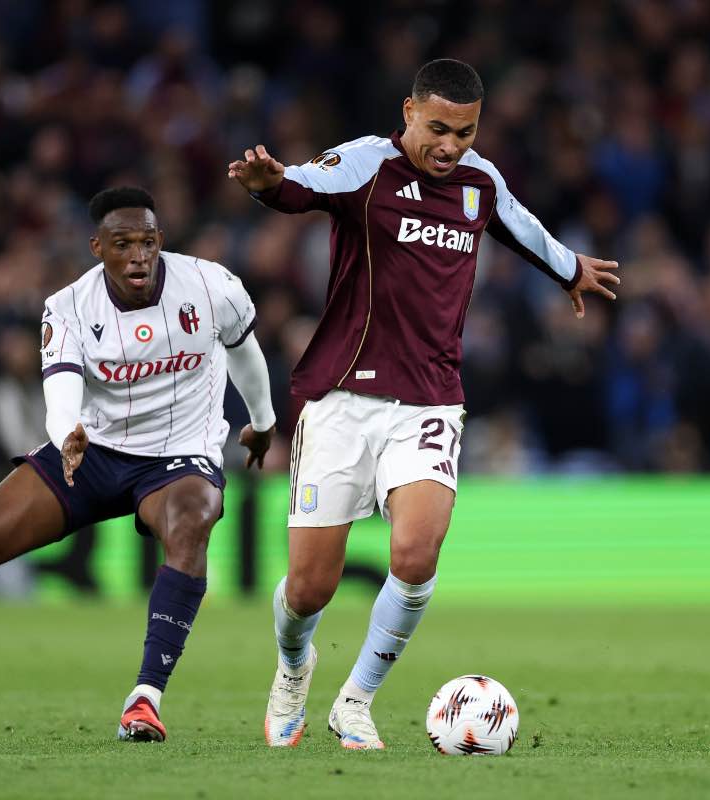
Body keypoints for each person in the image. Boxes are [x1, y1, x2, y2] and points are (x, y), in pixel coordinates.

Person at [228, 59, 620, 750]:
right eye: (438, 129)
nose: (450, 146)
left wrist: (570, 269)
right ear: (409, 113)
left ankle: (356, 700)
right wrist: (268, 185)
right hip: (342, 397)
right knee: (309, 589)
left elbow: (522, 226)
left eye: (465, 133)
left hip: (429, 401)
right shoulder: (365, 164)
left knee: (415, 553)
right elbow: (302, 185)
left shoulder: (479, 181)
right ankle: (293, 668)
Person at [0, 187, 277, 743]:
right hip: (90, 451)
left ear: (161, 241)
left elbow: (244, 351)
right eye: (123, 244)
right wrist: (67, 434)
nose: (138, 256)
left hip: (178, 454)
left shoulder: (212, 286)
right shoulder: (68, 307)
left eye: (147, 242)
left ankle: (145, 701)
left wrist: (262, 421)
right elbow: (62, 389)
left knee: (192, 521)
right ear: (98, 247)